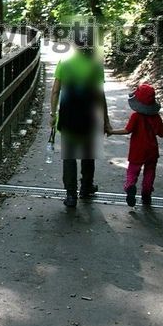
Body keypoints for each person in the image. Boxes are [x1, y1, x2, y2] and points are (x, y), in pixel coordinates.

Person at [50, 30, 112, 208]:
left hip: (68, 114)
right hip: (89, 114)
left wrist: (52, 114)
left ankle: (71, 195)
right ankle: (86, 186)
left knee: (69, 154)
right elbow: (100, 95)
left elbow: (55, 91)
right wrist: (105, 120)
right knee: (88, 152)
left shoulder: (65, 63)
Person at [109, 84, 163, 207]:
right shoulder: (156, 117)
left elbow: (127, 130)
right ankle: (146, 194)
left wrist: (112, 131)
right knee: (150, 172)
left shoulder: (135, 116)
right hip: (152, 150)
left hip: (137, 150)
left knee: (132, 171)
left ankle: (130, 186)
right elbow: (162, 134)